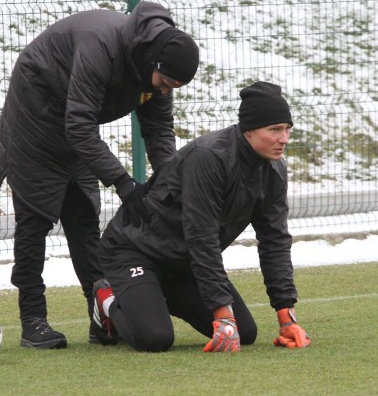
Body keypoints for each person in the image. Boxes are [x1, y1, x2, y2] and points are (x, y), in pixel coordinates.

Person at [0, 1, 200, 349]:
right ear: (151, 62)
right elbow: (80, 126)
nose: (165, 91)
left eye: (174, 86)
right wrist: (124, 183)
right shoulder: (100, 46)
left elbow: (158, 130)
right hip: (36, 110)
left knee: (84, 218)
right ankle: (33, 319)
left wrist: (169, 182)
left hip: (76, 121)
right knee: (35, 218)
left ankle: (102, 316)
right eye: (164, 82)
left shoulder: (157, 71)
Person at [92, 81, 311, 352]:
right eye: (275, 130)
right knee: (155, 339)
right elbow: (201, 234)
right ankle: (106, 298)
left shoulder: (274, 170)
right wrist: (222, 314)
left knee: (244, 332)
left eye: (287, 129)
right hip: (135, 250)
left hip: (183, 260)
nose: (284, 139)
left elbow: (275, 241)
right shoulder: (208, 158)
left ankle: (154, 297)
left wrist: (286, 317)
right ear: (249, 130)